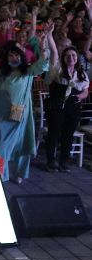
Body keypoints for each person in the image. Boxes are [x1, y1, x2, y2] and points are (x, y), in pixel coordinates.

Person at [0, 38, 49, 184]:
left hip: (21, 113)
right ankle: (1, 174)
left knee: (22, 144)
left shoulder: (27, 71)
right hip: (2, 115)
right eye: (10, 55)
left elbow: (42, 65)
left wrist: (43, 47)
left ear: (21, 56)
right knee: (2, 145)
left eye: (17, 55)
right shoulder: (1, 73)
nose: (14, 58)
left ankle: (20, 173)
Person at [45, 44, 90, 172]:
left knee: (68, 135)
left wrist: (80, 96)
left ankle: (63, 162)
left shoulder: (81, 74)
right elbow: (54, 53)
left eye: (73, 55)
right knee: (53, 133)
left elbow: (85, 91)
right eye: (68, 55)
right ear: (63, 58)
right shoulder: (57, 70)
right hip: (57, 106)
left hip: (73, 108)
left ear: (77, 58)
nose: (71, 58)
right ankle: (50, 161)